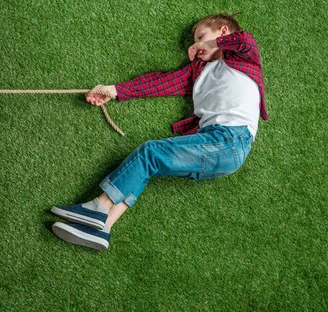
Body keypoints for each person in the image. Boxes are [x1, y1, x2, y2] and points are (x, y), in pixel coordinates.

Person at [50, 13, 268, 251]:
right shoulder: (198, 72)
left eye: (201, 37)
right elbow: (160, 82)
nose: (194, 45)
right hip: (214, 150)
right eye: (195, 40)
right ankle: (101, 229)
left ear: (223, 32)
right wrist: (114, 90)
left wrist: (207, 44)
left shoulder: (243, 57)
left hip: (229, 140)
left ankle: (98, 207)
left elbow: (244, 39)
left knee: (151, 151)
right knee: (146, 166)